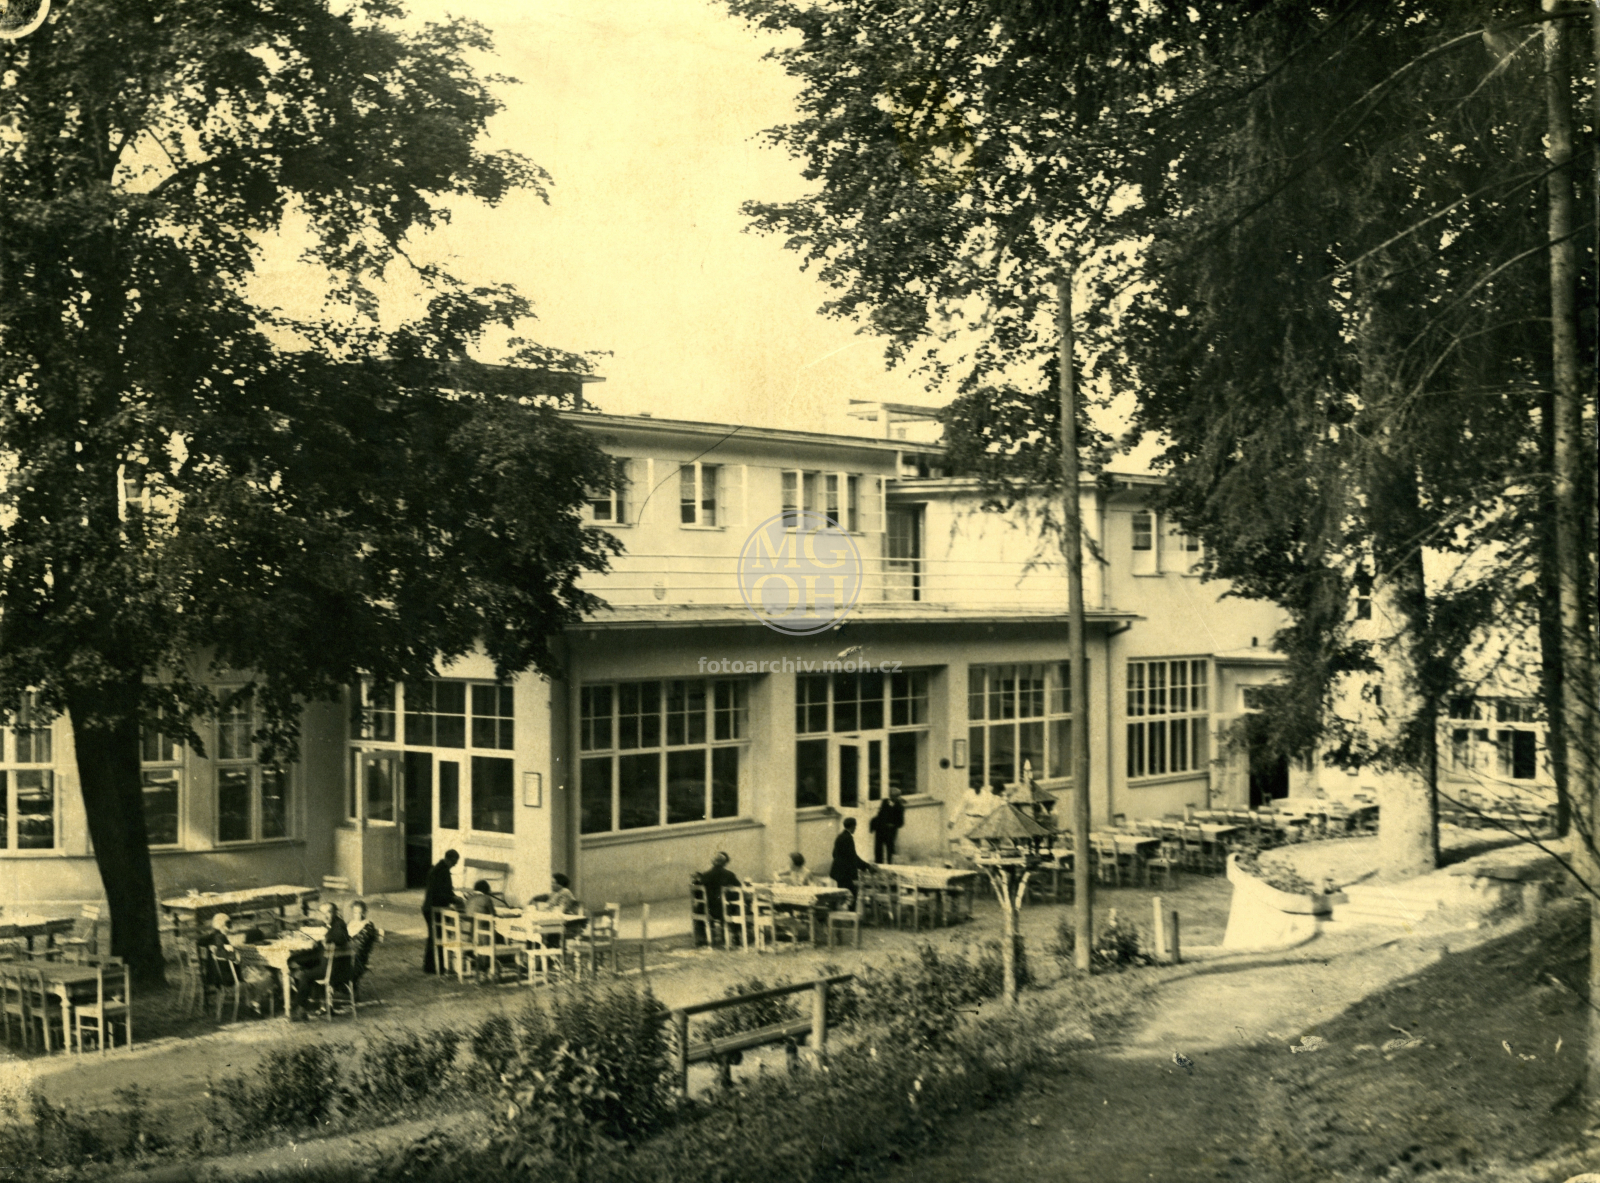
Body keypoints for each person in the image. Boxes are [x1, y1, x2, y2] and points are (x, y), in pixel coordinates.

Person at [292, 901, 351, 1016]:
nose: (325, 916)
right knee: (298, 963)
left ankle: (300, 1010)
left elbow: (341, 937)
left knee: (304, 974)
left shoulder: (339, 924)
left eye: (328, 912)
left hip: (334, 967)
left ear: (335, 913)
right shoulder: (331, 924)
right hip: (329, 962)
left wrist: (324, 938)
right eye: (322, 913)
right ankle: (322, 1004)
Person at [421, 849, 461, 974]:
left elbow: (443, 891)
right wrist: (454, 899)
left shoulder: (437, 869)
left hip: (429, 908)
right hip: (435, 908)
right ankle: (435, 966)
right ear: (448, 859)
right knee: (437, 936)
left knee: (433, 936)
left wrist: (453, 897)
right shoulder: (442, 871)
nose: (454, 865)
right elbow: (441, 893)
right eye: (454, 862)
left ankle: (431, 966)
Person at [694, 852, 742, 938]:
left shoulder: (705, 875)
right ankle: (735, 934)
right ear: (725, 863)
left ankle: (702, 937)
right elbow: (739, 890)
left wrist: (696, 882)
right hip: (725, 910)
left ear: (712, 862)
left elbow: (697, 895)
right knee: (739, 906)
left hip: (708, 910)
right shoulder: (730, 875)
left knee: (698, 907)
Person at [829, 818, 871, 901]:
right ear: (852, 826)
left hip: (839, 872)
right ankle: (851, 909)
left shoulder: (840, 836)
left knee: (844, 895)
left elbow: (834, 854)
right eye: (855, 826)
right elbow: (853, 857)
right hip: (845, 873)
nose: (855, 828)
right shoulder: (848, 838)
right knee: (852, 895)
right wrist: (867, 866)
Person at [347, 899, 380, 981]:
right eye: (355, 912)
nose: (357, 915)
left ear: (364, 913)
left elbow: (359, 944)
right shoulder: (350, 923)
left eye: (360, 912)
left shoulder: (368, 925)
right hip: (346, 953)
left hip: (358, 958)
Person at [870, 789, 906, 864]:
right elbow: (880, 814)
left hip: (890, 832)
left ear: (898, 797)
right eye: (891, 795)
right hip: (880, 829)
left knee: (890, 849)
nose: (892, 797)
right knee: (878, 848)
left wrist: (893, 825)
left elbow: (901, 822)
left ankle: (890, 864)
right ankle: (878, 864)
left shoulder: (900, 807)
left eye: (894, 796)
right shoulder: (884, 802)